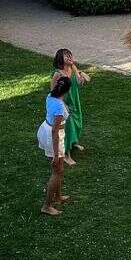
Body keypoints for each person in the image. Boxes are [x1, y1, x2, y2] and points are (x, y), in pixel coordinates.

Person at [38, 76, 73, 216]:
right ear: (67, 90)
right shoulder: (59, 105)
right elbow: (55, 131)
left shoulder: (51, 95)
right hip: (53, 135)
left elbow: (53, 84)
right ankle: (46, 206)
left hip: (48, 129)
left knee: (60, 170)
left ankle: (57, 196)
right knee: (56, 171)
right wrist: (57, 153)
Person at [51, 48, 90, 166]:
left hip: (75, 101)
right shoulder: (58, 74)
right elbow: (53, 92)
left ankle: (74, 142)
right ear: (60, 59)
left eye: (70, 55)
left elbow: (80, 83)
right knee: (67, 127)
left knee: (77, 122)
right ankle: (66, 155)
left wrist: (80, 75)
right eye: (65, 56)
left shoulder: (73, 69)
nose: (69, 57)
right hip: (64, 103)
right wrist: (63, 105)